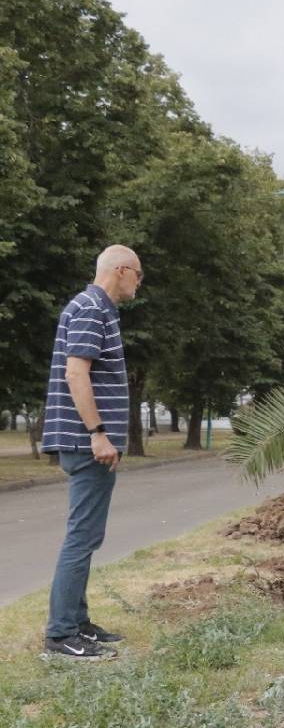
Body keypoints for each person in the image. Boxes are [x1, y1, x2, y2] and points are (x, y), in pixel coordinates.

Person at [41, 245, 142, 659]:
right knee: (81, 538)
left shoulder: (97, 308)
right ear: (121, 270)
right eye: (138, 274)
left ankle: (78, 623)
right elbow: (75, 372)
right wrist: (98, 433)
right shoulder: (90, 308)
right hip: (88, 443)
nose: (139, 282)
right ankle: (61, 634)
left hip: (90, 443)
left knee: (88, 535)